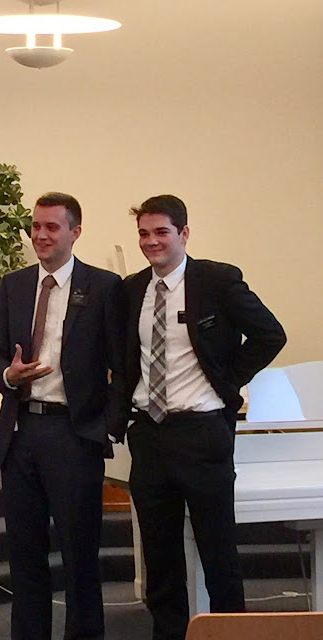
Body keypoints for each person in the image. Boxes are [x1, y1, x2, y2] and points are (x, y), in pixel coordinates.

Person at [123, 194, 287, 640]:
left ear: (184, 233)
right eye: (143, 233)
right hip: (150, 434)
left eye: (161, 232)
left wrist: (226, 381)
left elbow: (271, 335)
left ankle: (231, 633)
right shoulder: (132, 289)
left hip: (202, 432)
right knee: (160, 559)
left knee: (218, 553)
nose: (151, 242)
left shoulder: (216, 280)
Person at [0, 192, 126, 640]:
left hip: (73, 433)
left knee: (80, 557)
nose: (40, 235)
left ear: (75, 232)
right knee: (25, 557)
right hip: (21, 432)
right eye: (35, 226)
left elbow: (124, 366)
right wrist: (9, 374)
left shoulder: (103, 287)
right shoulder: (14, 285)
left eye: (51, 227)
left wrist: (107, 426)